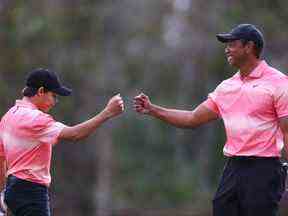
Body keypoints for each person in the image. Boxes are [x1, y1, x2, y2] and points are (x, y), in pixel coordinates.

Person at [134, 24, 288, 216]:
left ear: (249, 47)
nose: (227, 49)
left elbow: (286, 132)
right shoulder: (226, 87)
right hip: (233, 168)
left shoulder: (279, 83)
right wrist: (153, 109)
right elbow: (192, 118)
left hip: (264, 169)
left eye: (232, 44)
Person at [0, 68, 124, 216]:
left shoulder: (7, 117)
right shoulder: (35, 119)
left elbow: (2, 159)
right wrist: (107, 112)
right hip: (31, 192)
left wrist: (3, 193)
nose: (55, 101)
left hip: (12, 192)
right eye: (54, 95)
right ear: (40, 91)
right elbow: (75, 134)